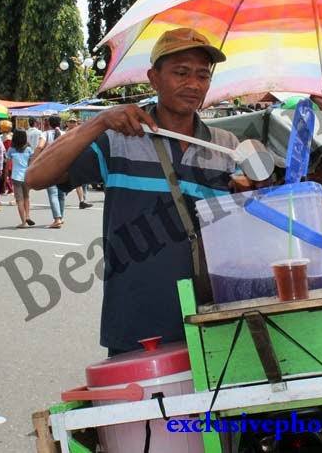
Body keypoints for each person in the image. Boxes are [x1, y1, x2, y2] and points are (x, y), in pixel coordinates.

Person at [27, 27, 240, 356]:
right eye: (181, 73)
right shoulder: (119, 140)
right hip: (136, 321)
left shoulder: (228, 149)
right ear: (153, 78)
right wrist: (97, 123)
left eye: (202, 75)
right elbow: (36, 177)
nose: (194, 84)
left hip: (215, 320)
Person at [6, 129, 34, 228]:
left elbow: (7, 164)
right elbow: (31, 163)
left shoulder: (11, 149)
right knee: (26, 198)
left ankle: (23, 222)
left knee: (19, 201)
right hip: (26, 176)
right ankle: (28, 216)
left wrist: (6, 176)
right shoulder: (29, 149)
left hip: (16, 177)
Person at [64, 117, 92, 209]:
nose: (72, 123)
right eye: (70, 121)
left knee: (82, 181)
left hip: (79, 158)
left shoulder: (80, 132)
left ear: (76, 123)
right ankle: (81, 201)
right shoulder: (64, 134)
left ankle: (82, 200)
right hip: (68, 158)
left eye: (74, 122)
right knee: (74, 180)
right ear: (67, 123)